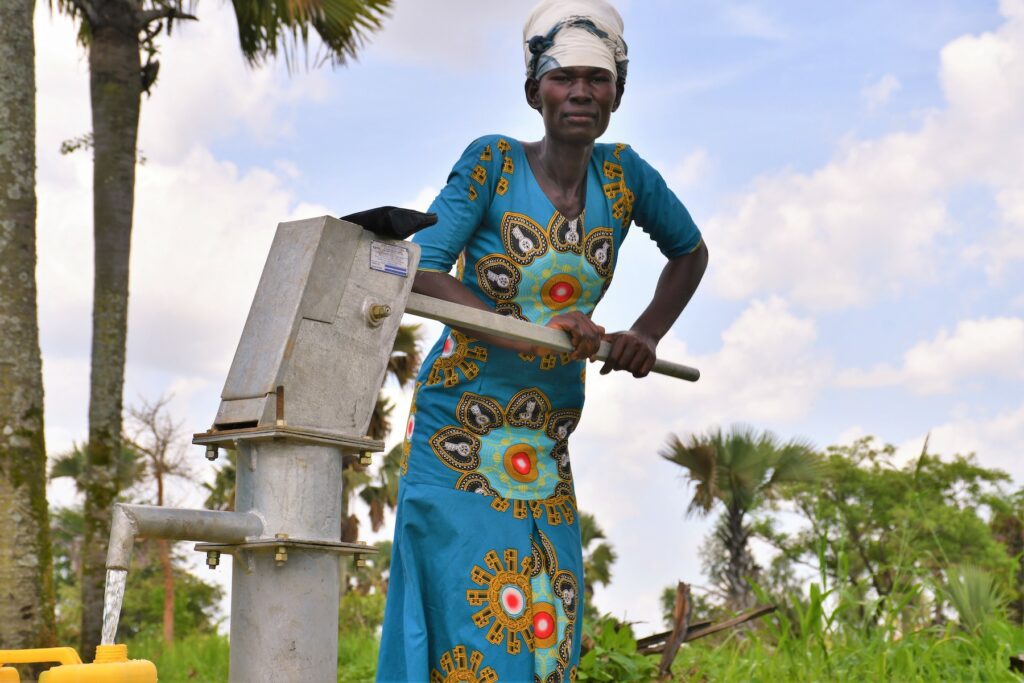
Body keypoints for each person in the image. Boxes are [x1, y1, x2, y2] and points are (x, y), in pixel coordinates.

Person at [377, 1, 708, 680]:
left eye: (598, 78)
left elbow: (690, 252)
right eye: (563, 78)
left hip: (543, 442)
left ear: (618, 91)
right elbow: (422, 267)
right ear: (535, 91)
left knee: (546, 629)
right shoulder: (493, 163)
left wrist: (644, 334)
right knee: (474, 625)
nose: (581, 91)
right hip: (459, 437)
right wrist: (541, 331)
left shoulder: (624, 177)